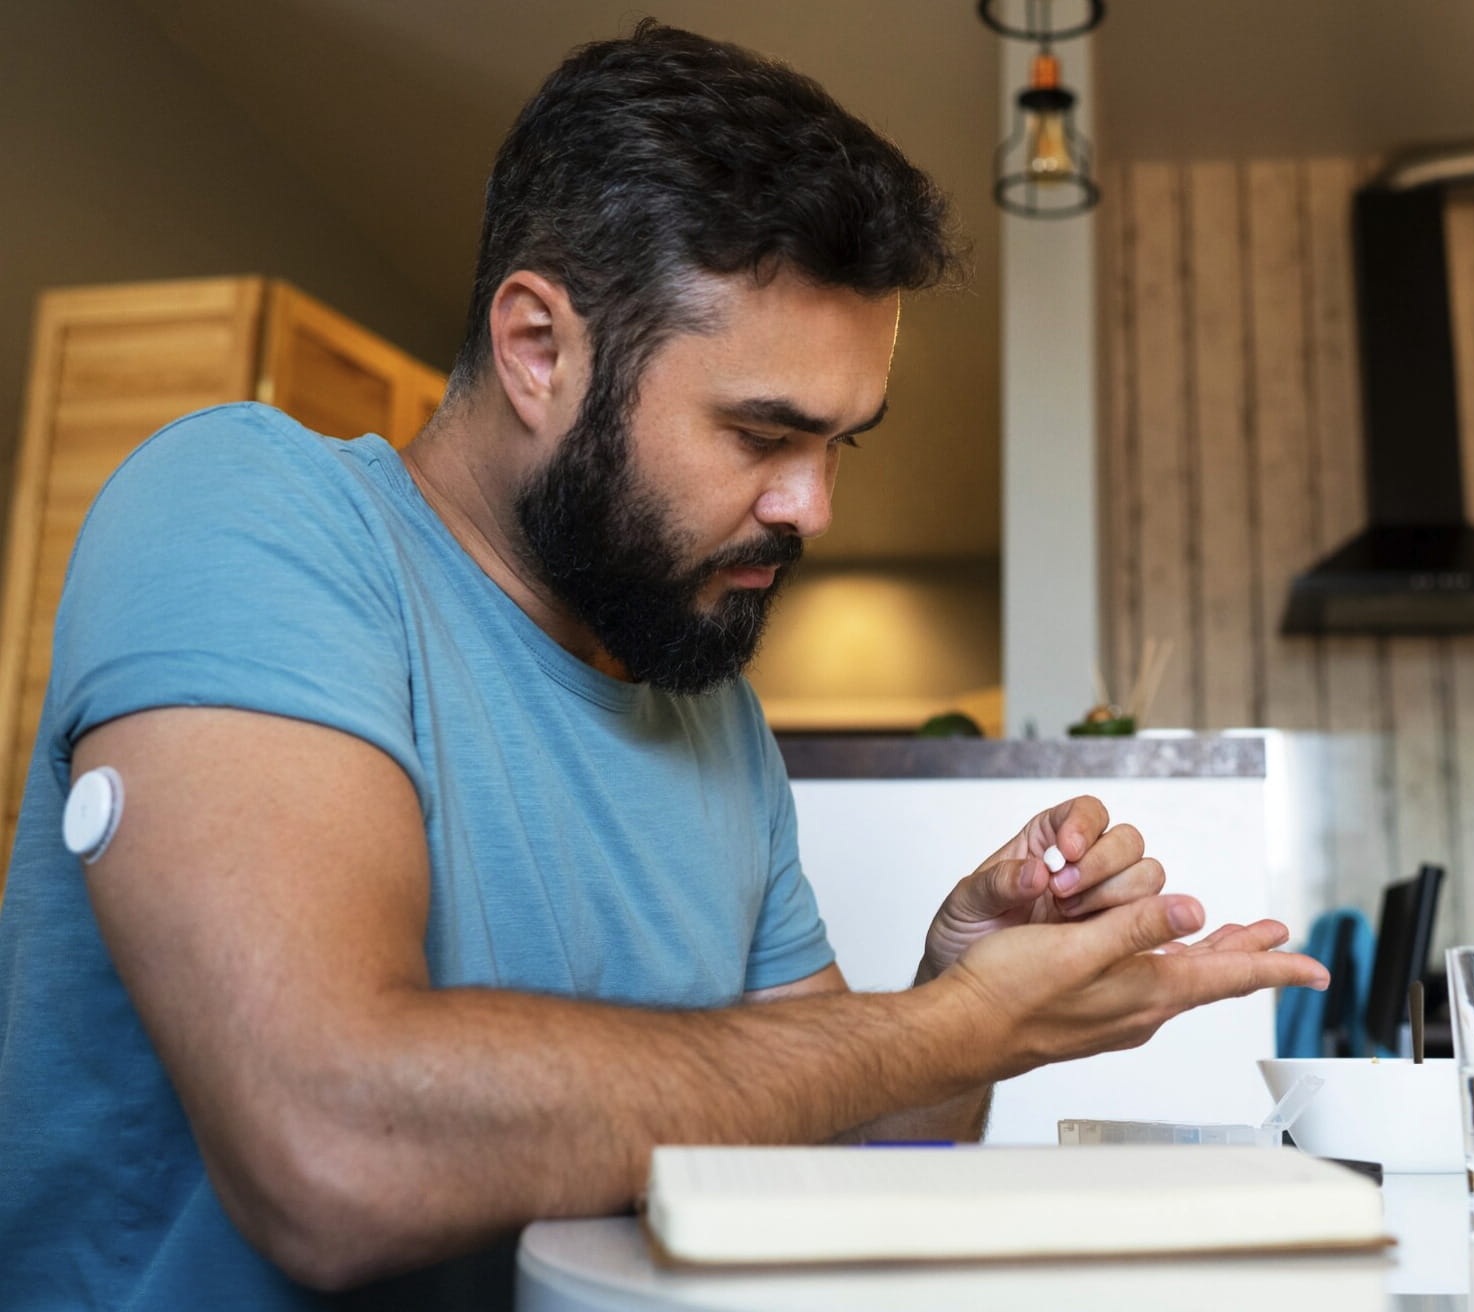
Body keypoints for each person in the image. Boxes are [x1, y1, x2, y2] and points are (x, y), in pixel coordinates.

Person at [0, 22, 1325, 1308]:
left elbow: (856, 1142)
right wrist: (950, 1030)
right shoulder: (247, 514)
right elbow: (333, 1151)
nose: (814, 508)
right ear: (540, 349)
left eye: (840, 445)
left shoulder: (709, 713)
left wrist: (954, 990)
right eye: (762, 433)